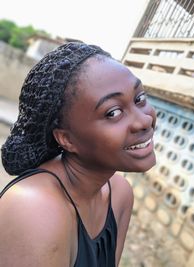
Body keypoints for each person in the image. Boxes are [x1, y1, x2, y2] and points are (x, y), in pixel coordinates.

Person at [0, 42, 156, 267]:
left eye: (139, 99)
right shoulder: (35, 210)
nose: (145, 120)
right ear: (67, 139)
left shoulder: (119, 194)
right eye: (113, 112)